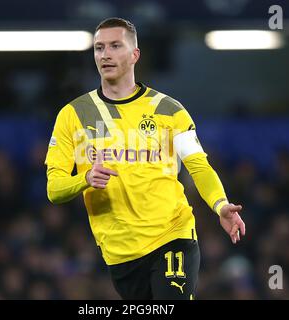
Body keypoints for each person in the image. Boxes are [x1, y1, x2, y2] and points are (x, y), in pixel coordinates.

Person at [45, 17, 245, 300]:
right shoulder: (73, 115)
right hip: (119, 253)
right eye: (99, 48)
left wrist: (220, 205)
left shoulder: (169, 110)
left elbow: (198, 166)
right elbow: (54, 189)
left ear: (134, 54)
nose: (106, 54)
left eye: (116, 46)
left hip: (172, 234)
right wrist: (85, 178)